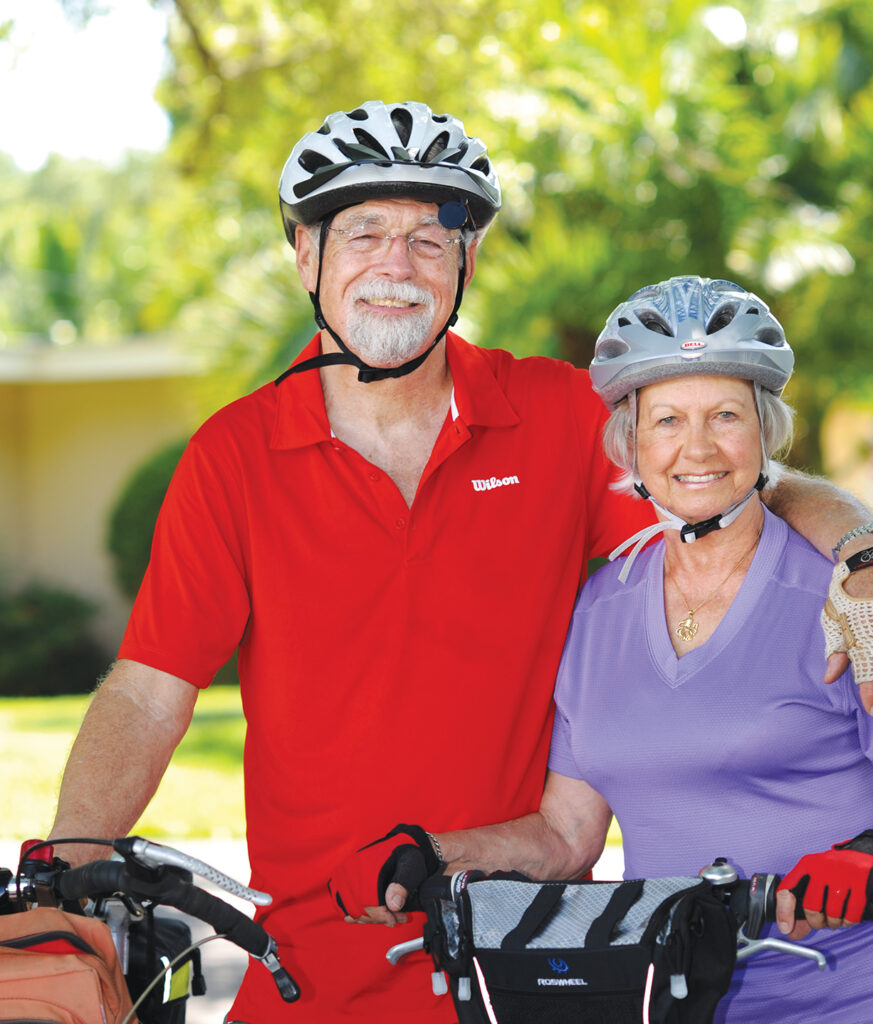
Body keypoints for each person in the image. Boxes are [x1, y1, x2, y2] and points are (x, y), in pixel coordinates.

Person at [46, 101, 873, 1024]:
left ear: (466, 264)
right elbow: (150, 690)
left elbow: (717, 477)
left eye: (429, 240)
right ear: (304, 256)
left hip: (516, 963)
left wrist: (856, 545)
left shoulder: (554, 417)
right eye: (362, 233)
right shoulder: (233, 457)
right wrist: (67, 867)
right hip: (309, 971)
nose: (395, 267)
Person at [341, 277, 873, 1023]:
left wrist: (862, 855)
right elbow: (566, 832)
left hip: (836, 998)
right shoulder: (601, 607)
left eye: (725, 415)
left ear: (764, 432)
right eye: (665, 421)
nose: (697, 448)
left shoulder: (844, 596)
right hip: (661, 999)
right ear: (629, 441)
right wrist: (434, 853)